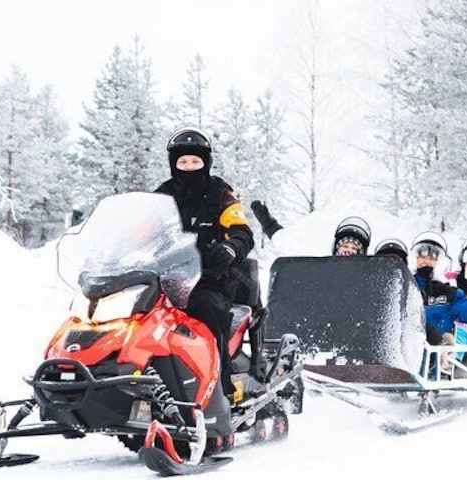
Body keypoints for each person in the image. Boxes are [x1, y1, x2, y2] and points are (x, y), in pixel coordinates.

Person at [154, 126, 254, 408]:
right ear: (174, 164)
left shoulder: (220, 193)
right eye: (182, 162)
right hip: (165, 278)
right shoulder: (161, 197)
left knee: (207, 310)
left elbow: (242, 230)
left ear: (205, 162)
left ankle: (220, 392)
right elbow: (141, 230)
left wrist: (231, 247)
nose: (188, 167)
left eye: (195, 161)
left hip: (209, 278)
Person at [251, 200, 372, 257]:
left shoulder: (367, 275)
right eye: (345, 246)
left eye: (354, 248)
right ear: (336, 248)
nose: (348, 251)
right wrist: (267, 222)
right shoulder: (320, 265)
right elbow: (286, 243)